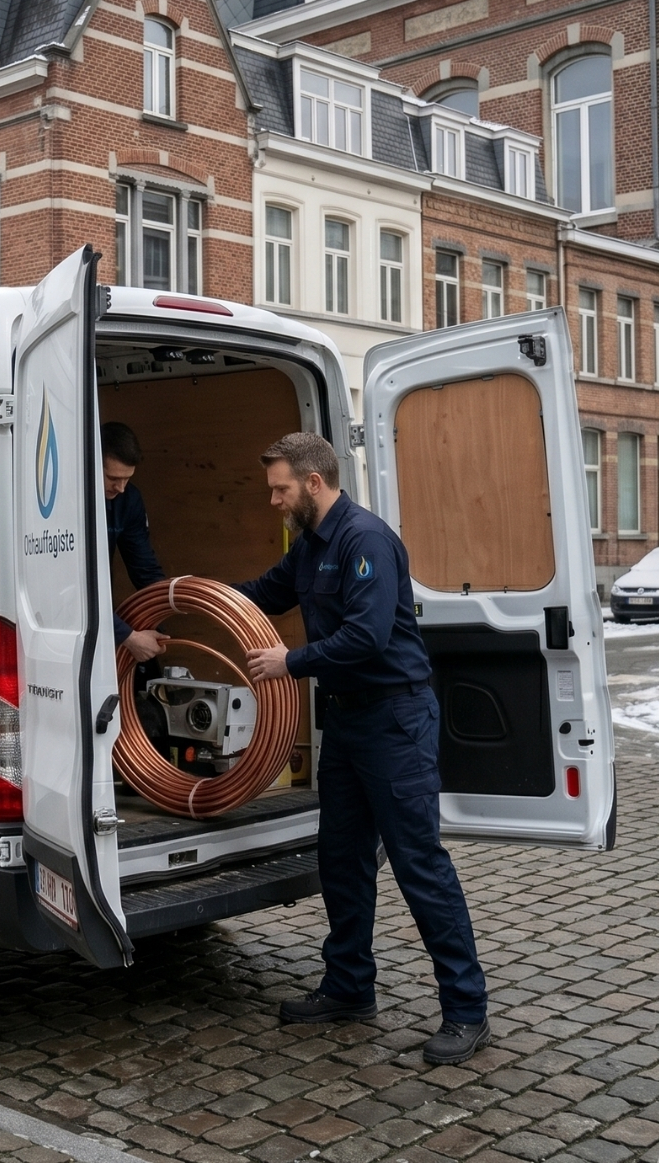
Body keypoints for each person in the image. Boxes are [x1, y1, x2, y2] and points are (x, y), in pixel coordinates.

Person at [235, 431, 489, 1066]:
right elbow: (264, 591)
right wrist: (186, 593)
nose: (274, 500)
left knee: (418, 864)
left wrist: (291, 661)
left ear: (313, 483)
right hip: (348, 723)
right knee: (342, 859)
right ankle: (349, 986)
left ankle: (467, 1010)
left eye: (280, 489)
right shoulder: (310, 543)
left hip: (395, 721)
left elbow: (368, 637)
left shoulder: (364, 539)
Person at [101, 422, 168, 663]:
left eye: (127, 479)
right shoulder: (67, 500)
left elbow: (144, 569)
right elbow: (73, 587)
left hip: (100, 613)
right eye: (112, 478)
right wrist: (127, 636)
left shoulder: (128, 500)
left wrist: (161, 616)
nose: (120, 488)